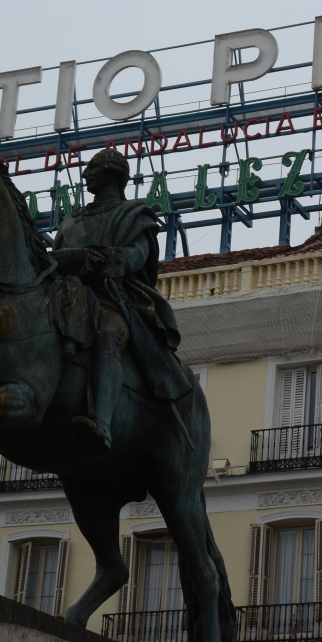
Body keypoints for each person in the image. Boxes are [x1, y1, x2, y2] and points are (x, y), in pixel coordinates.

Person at [52, 149, 189, 451]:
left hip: (111, 301)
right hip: (66, 296)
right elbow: (53, 261)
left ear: (112, 173)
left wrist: (90, 259)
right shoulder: (71, 220)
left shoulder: (134, 216)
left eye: (93, 167)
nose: (85, 173)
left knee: (109, 334)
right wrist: (76, 258)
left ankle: (102, 422)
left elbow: (134, 258)